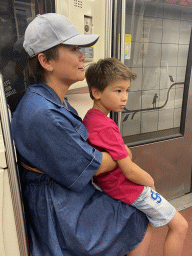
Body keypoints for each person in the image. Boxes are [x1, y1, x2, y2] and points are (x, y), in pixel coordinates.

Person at [11, 13, 153, 256]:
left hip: (64, 192)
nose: (82, 56)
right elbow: (93, 165)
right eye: (74, 48)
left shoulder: (51, 100)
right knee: (137, 219)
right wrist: (123, 153)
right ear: (46, 61)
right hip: (58, 206)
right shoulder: (45, 113)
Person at [83, 57, 188, 256]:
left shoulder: (91, 119)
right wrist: (150, 182)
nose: (125, 97)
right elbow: (129, 170)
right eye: (118, 90)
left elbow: (122, 153)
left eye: (126, 90)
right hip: (129, 189)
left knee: (142, 227)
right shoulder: (106, 126)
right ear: (96, 92)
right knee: (180, 226)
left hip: (111, 187)